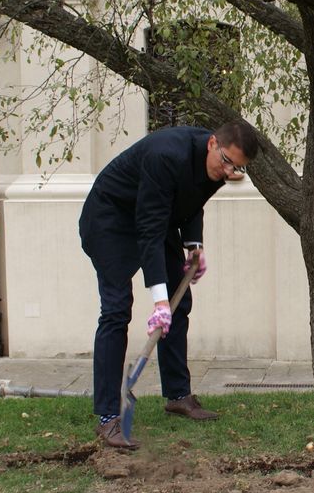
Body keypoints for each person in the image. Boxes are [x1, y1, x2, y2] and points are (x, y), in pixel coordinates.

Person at [79, 119, 260, 449]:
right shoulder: (166, 155)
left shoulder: (217, 165)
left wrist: (194, 246)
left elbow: (192, 201)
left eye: (237, 167)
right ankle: (108, 417)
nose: (228, 172)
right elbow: (149, 230)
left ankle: (177, 395)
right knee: (116, 310)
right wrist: (159, 301)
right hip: (111, 218)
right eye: (226, 162)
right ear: (212, 144)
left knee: (181, 300)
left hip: (155, 217)